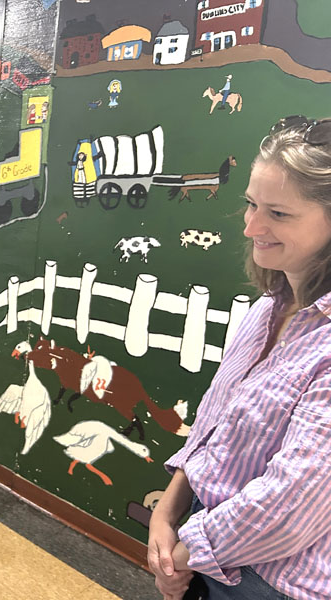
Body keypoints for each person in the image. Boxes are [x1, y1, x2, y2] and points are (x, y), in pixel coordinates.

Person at [147, 115, 331, 600]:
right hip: (206, 549)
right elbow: (215, 420)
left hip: (274, 582)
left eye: (279, 213)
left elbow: (292, 507)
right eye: (251, 204)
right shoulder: (267, 309)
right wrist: (166, 514)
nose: (251, 226)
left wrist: (180, 554)